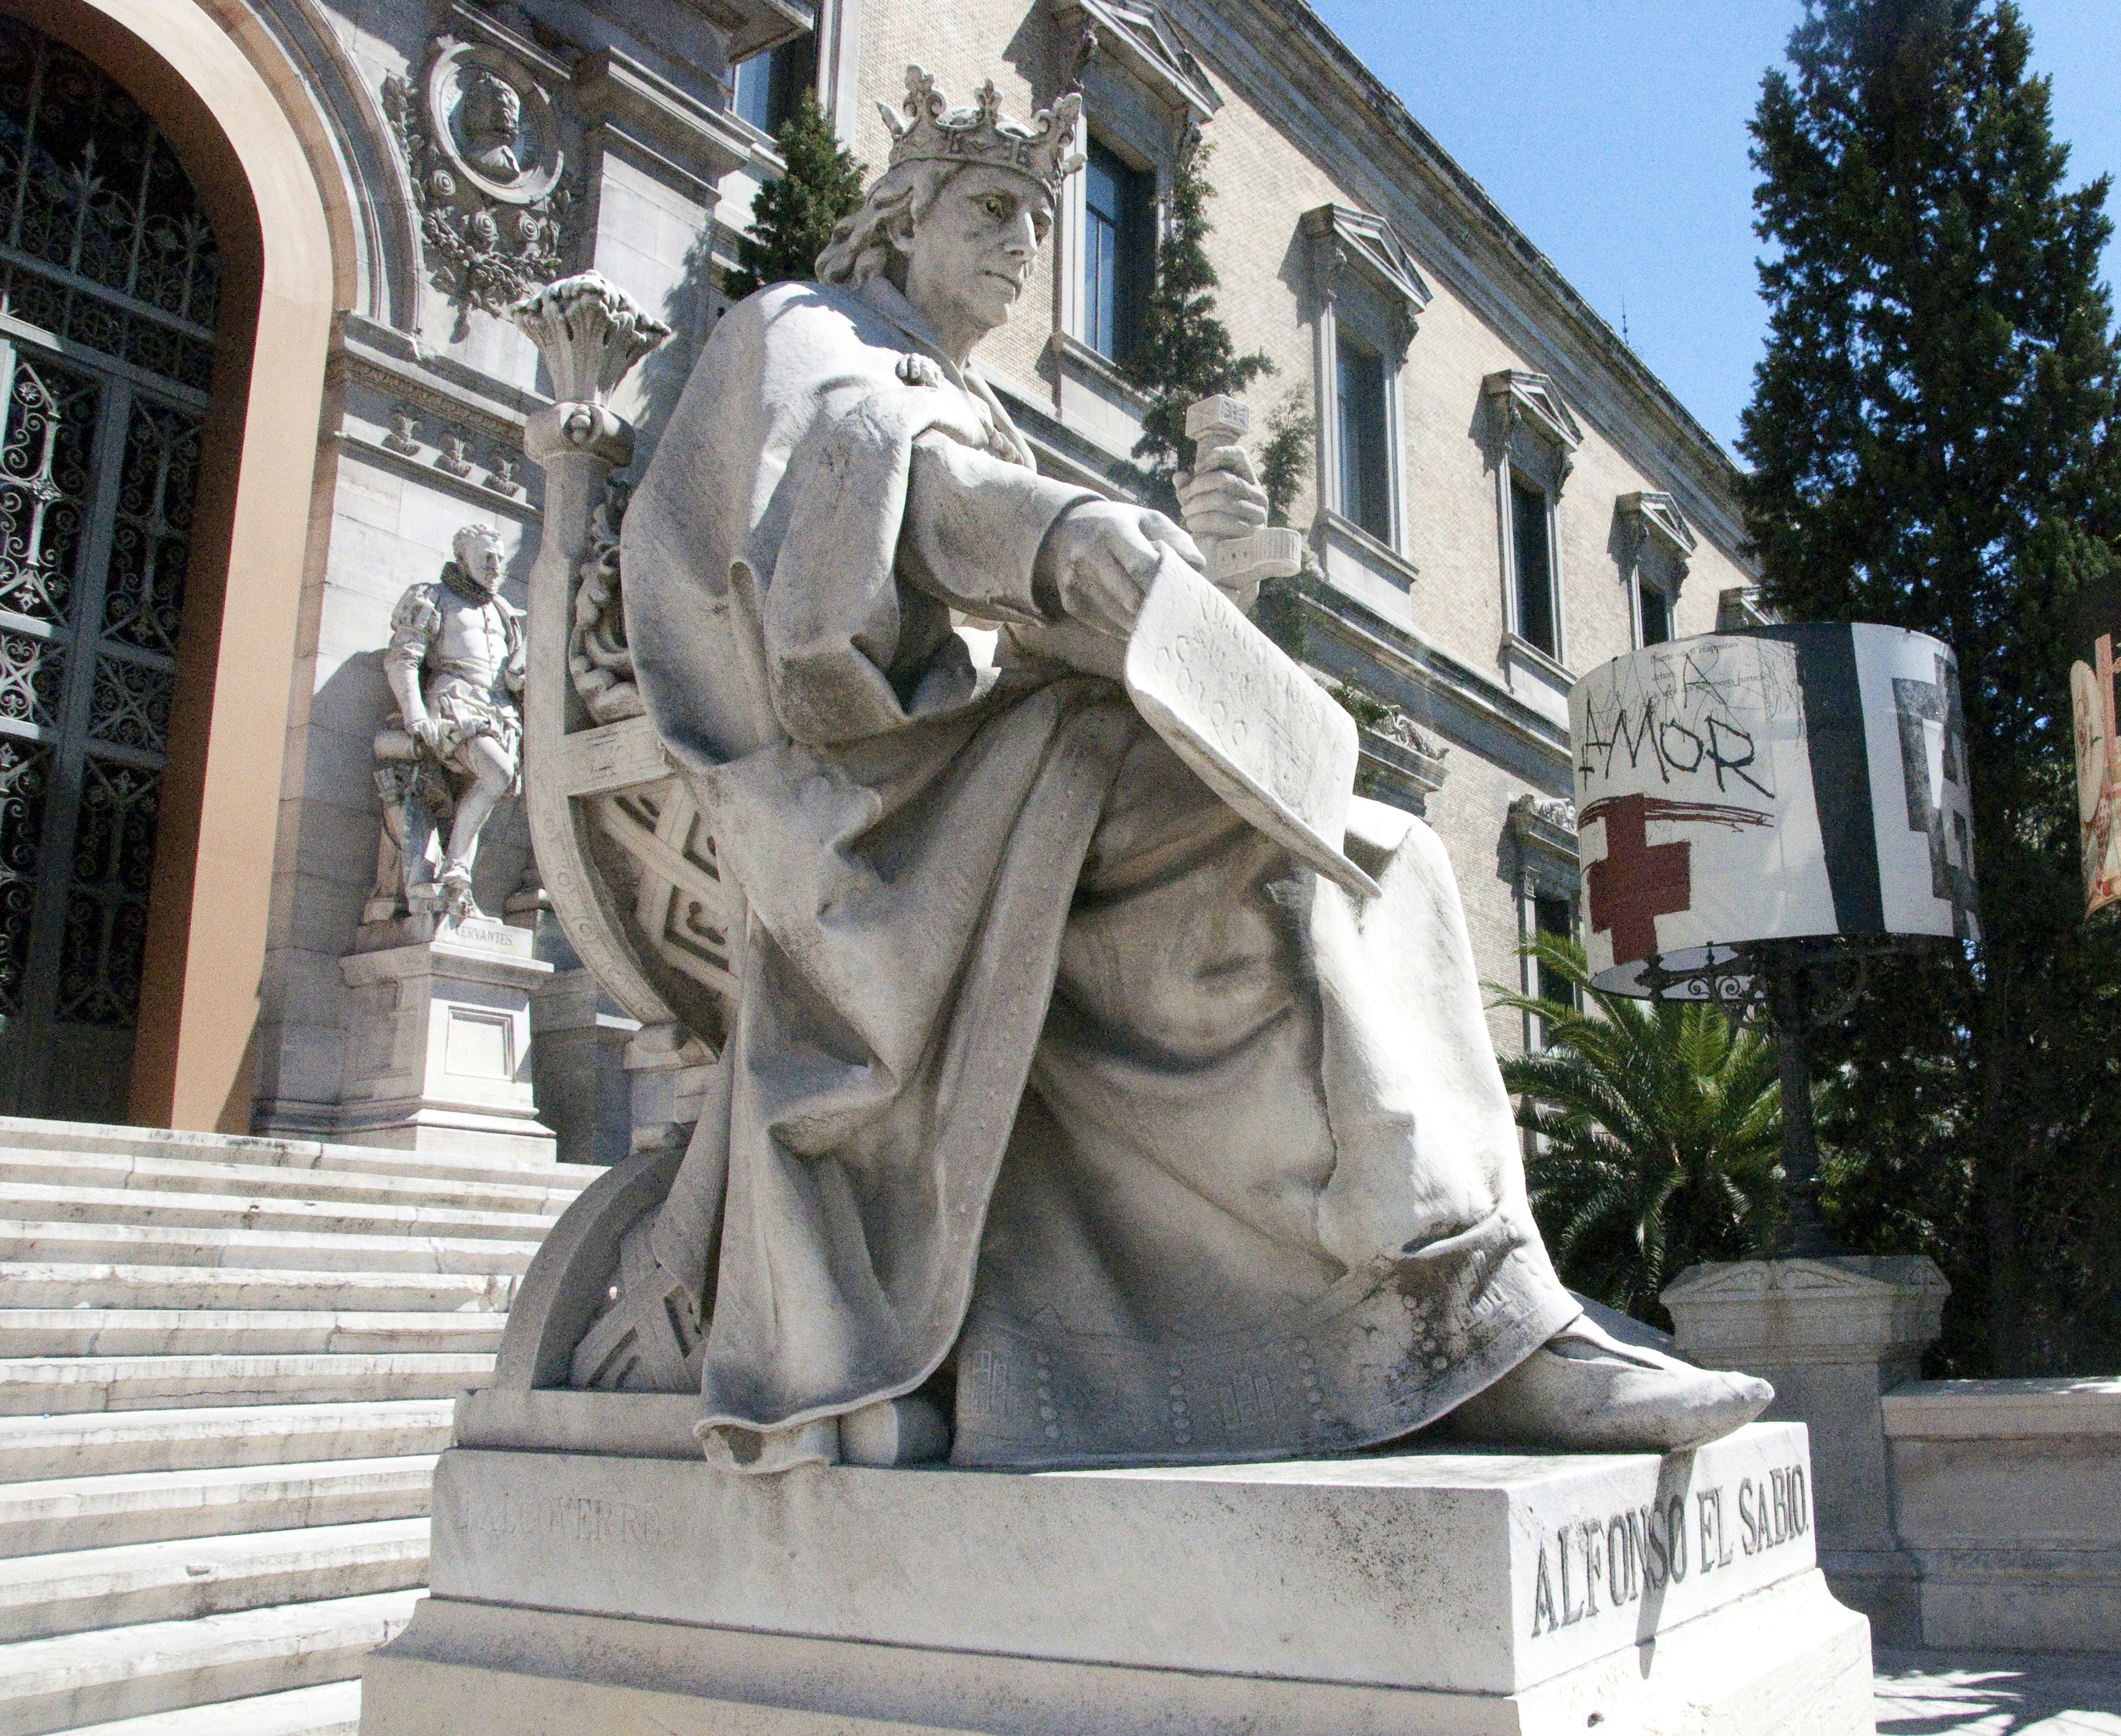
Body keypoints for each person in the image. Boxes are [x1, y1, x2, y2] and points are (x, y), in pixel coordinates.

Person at [614, 68, 1771, 1474]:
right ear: (902, 220)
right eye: (990, 211)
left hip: (1004, 779)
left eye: (1040, 222)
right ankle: (1448, 1319)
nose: (1024, 246)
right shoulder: (803, 332)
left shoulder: (971, 404)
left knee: (1391, 850)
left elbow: (997, 590)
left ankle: (1472, 1298)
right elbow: (854, 536)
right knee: (1276, 857)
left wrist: (1177, 579)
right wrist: (1058, 538)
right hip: (870, 818)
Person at [381, 523, 525, 918]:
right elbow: (403, 658)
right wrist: (414, 712)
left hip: (499, 712)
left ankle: (456, 886)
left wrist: (519, 674)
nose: (496, 567)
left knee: (486, 791)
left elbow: (515, 669)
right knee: (497, 773)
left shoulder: (503, 612)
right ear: (463, 558)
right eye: (487, 558)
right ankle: (455, 866)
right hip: (454, 703)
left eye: (500, 559)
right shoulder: (433, 597)